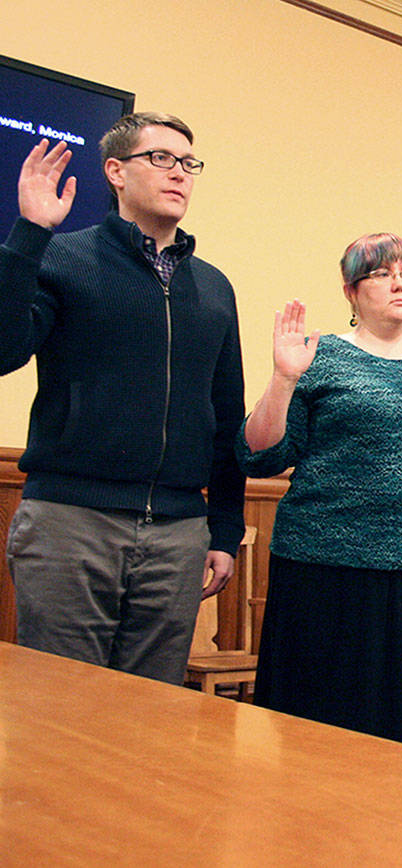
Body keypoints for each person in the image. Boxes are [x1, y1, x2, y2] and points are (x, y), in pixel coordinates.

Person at [1, 113, 245, 684]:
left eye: (189, 163)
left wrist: (225, 530)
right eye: (160, 158)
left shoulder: (213, 286)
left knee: (152, 718)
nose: (179, 173)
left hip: (180, 533)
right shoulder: (62, 257)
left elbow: (226, 415)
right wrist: (29, 234)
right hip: (71, 521)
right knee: (59, 709)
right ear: (115, 171)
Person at [238, 233, 402, 755]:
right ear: (351, 291)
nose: (401, 283)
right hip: (326, 572)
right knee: (322, 735)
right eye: (383, 273)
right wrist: (282, 378)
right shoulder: (317, 359)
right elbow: (259, 456)